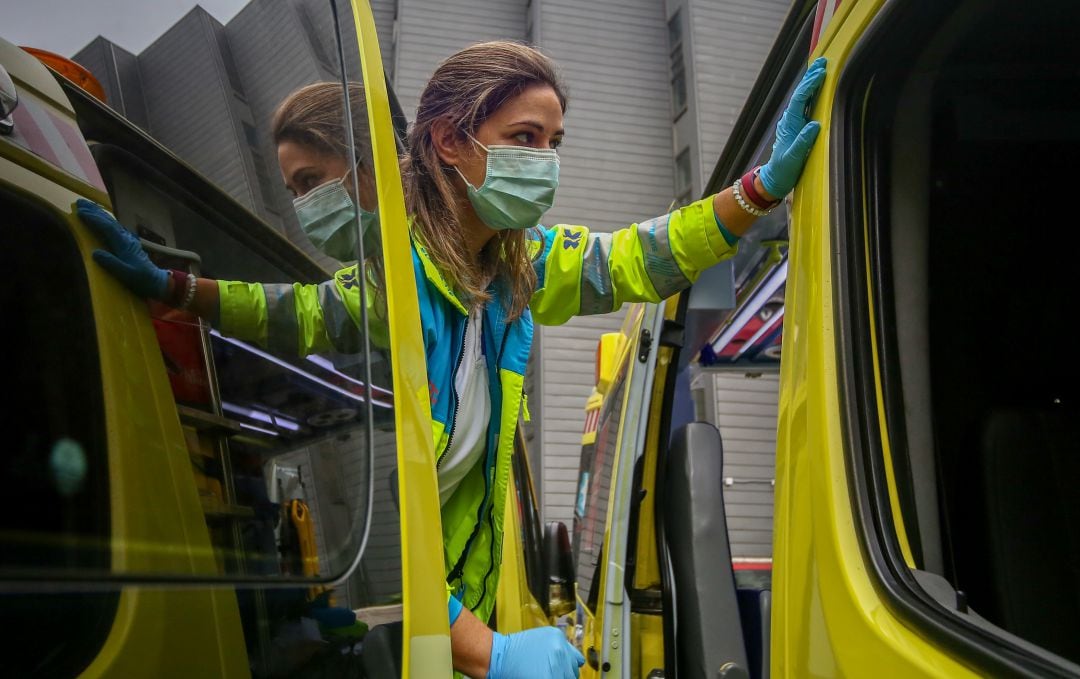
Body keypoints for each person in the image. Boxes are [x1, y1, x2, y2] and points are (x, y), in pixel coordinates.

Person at [76, 42, 827, 679]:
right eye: (526, 138)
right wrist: (178, 288)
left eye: (554, 143)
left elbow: (640, 257)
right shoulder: (395, 283)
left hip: (448, 621)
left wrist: (759, 189)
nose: (547, 163)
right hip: (434, 623)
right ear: (447, 141)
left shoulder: (516, 270)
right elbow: (293, 315)